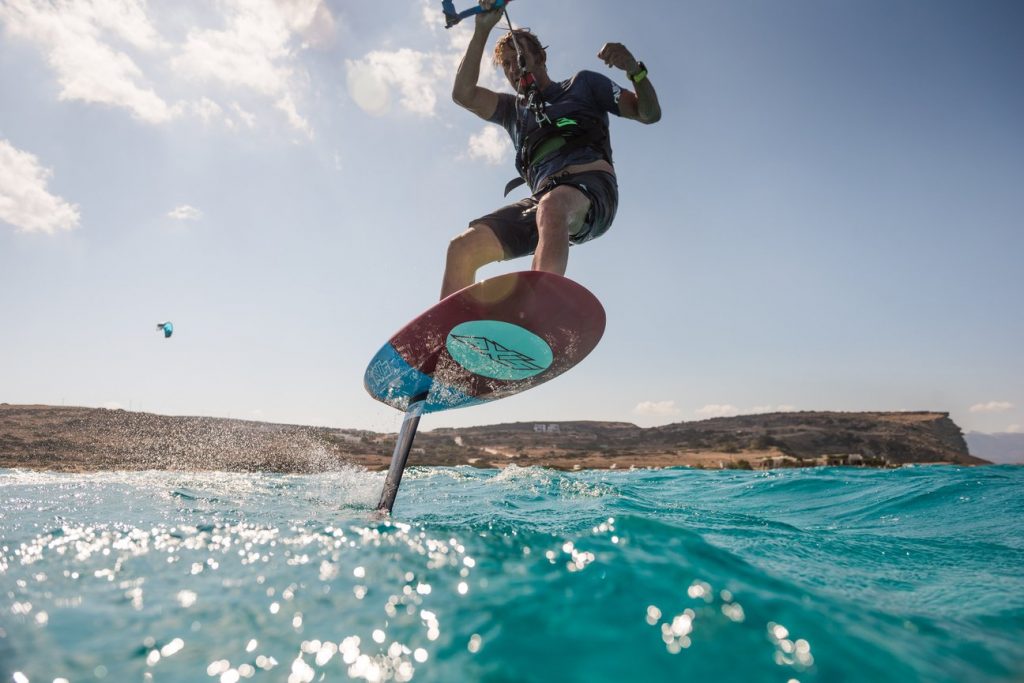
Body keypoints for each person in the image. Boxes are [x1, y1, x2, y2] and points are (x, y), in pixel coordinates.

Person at [441, 0, 661, 299]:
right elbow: (463, 94)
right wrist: (481, 30)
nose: (511, 69)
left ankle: (535, 310)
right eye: (504, 65)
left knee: (552, 206)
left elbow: (648, 113)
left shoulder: (582, 85)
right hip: (544, 202)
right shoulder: (512, 110)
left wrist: (635, 71)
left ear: (540, 56)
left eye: (516, 58)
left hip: (592, 193)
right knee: (462, 247)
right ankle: (451, 340)